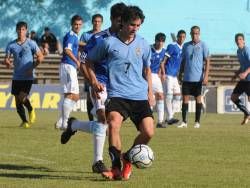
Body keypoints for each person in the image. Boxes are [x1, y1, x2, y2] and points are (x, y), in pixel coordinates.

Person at [86, 5, 154, 180]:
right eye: (132, 25)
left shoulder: (143, 44)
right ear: (122, 22)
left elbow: (147, 70)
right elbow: (88, 61)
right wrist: (94, 82)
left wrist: (150, 92)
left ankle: (128, 157)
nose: (135, 29)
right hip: (118, 94)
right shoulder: (108, 43)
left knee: (149, 132)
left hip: (139, 95)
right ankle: (115, 168)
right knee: (113, 124)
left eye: (138, 25)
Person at [60, 3, 127, 174]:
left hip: (119, 88)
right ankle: (98, 161)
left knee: (107, 124)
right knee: (103, 119)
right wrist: (93, 81)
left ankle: (74, 125)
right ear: (112, 19)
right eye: (120, 21)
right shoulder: (98, 39)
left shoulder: (127, 40)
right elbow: (83, 62)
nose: (123, 24)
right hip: (100, 84)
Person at [3, 21, 44, 128]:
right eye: (19, 29)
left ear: (26, 31)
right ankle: (24, 121)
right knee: (17, 101)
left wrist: (32, 67)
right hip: (16, 76)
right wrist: (7, 62)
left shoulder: (31, 43)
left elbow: (40, 57)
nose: (21, 32)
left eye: (23, 29)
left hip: (28, 77)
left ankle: (30, 109)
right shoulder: (11, 45)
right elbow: (6, 59)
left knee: (22, 97)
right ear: (16, 30)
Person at [178, 26, 210, 128]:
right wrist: (180, 73)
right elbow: (183, 61)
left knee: (198, 99)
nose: (194, 35)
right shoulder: (186, 46)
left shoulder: (203, 45)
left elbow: (208, 61)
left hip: (198, 79)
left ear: (199, 34)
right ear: (190, 34)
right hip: (187, 78)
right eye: (193, 33)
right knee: (185, 99)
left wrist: (206, 76)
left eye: (196, 33)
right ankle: (184, 122)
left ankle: (197, 122)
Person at [55, 15, 83, 130]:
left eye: (80, 24)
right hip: (68, 66)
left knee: (74, 96)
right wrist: (77, 61)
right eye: (76, 24)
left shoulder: (75, 36)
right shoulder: (71, 35)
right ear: (72, 24)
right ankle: (64, 123)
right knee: (72, 95)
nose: (78, 26)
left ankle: (61, 121)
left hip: (68, 67)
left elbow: (75, 46)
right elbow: (67, 50)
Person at [79, 13, 104, 121]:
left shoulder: (104, 35)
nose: (97, 23)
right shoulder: (86, 35)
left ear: (101, 23)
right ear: (92, 22)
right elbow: (79, 46)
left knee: (101, 94)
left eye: (99, 21)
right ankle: (91, 120)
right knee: (90, 95)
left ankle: (100, 116)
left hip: (101, 69)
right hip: (89, 67)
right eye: (95, 21)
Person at [161, 30, 186, 125]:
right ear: (178, 37)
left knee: (178, 96)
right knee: (168, 95)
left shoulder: (183, 48)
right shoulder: (172, 46)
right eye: (180, 36)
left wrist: (180, 75)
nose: (182, 38)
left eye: (183, 37)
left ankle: (169, 116)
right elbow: (164, 60)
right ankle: (170, 117)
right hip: (168, 74)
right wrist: (163, 73)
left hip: (175, 76)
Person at [231, 33, 250, 125]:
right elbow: (243, 65)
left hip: (249, 78)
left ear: (243, 40)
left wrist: (245, 73)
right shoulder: (238, 51)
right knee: (233, 97)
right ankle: (247, 113)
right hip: (244, 80)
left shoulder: (247, 50)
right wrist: (237, 74)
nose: (238, 41)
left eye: (240, 39)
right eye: (237, 39)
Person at [150, 33, 166, 128]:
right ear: (155, 41)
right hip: (146, 75)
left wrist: (163, 73)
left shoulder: (164, 51)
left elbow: (161, 63)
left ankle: (160, 121)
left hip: (155, 76)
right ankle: (149, 119)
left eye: (162, 41)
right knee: (150, 98)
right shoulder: (149, 49)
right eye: (158, 41)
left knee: (160, 96)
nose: (160, 43)